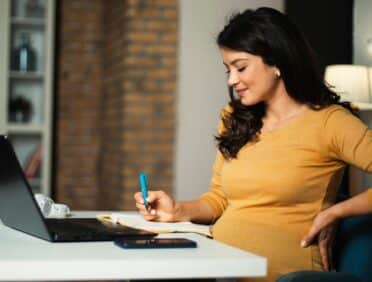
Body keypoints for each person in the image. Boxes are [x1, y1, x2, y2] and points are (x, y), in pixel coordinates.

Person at [134, 7, 372, 282]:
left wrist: (337, 211)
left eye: (241, 67)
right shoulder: (235, 119)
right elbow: (219, 199)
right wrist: (176, 210)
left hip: (281, 275)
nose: (232, 80)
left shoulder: (330, 122)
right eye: (228, 70)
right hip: (217, 267)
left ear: (277, 61)